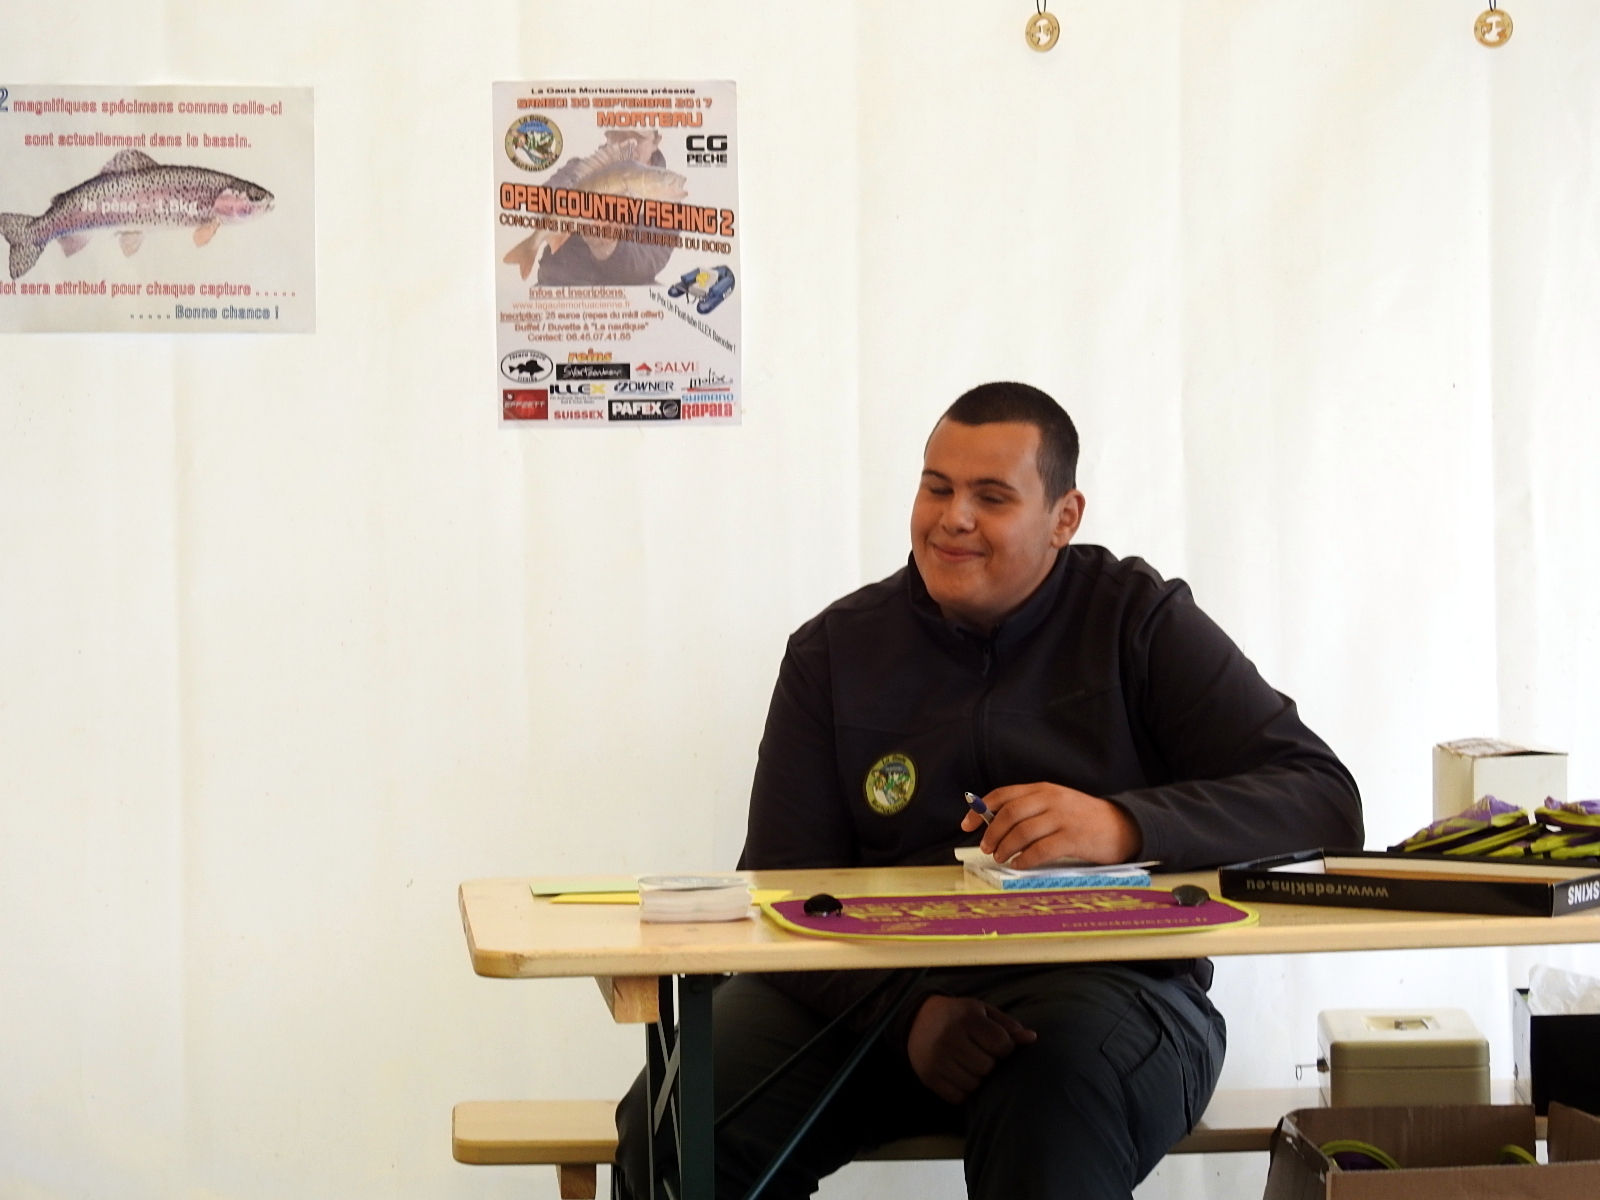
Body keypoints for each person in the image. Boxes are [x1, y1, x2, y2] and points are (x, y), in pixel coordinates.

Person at [616, 381, 1363, 1200]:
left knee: (1054, 1112)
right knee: (674, 1127)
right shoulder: (833, 652)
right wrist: (910, 1018)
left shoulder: (1136, 620)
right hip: (865, 988)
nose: (953, 519)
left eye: (991, 497)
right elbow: (781, 883)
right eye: (936, 488)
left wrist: (1123, 825)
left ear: (1064, 517)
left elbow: (1321, 797)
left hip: (1107, 985)